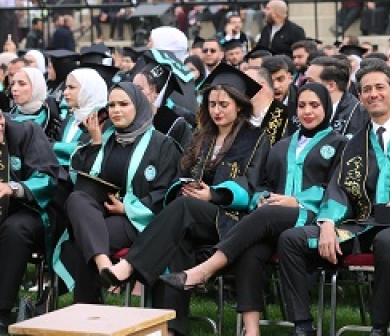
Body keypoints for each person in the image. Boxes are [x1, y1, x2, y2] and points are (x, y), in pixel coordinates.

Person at [159, 83, 347, 336]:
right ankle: (252, 330)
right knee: (251, 249)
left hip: (311, 216)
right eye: (302, 105)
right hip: (270, 218)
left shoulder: (340, 144)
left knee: (267, 215)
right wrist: (261, 199)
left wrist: (297, 201)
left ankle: (205, 269)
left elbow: (337, 186)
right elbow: (263, 184)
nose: (307, 111)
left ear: (326, 108)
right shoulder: (283, 145)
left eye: (315, 105)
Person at [277, 62, 390, 336]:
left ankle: (379, 327)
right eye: (366, 89)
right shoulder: (353, 143)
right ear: (359, 97)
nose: (373, 94)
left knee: (387, 240)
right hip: (361, 225)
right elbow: (339, 188)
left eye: (380, 87)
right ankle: (303, 326)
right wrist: (327, 223)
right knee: (291, 239)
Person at [101, 64, 270, 336]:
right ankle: (171, 329)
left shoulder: (256, 139)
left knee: (184, 209)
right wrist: (184, 187)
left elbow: (251, 184)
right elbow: (182, 173)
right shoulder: (203, 136)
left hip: (231, 219)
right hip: (193, 216)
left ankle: (130, 265)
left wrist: (212, 194)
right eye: (212, 104)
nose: (217, 110)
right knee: (177, 241)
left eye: (224, 104)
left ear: (239, 106)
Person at [54, 83, 181, 303]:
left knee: (80, 244)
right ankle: (104, 266)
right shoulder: (106, 139)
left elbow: (166, 192)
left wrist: (126, 208)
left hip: (136, 220)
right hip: (98, 215)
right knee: (76, 198)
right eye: (111, 105)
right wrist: (95, 142)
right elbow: (83, 182)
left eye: (123, 104)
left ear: (138, 106)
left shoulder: (163, 145)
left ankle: (88, 310)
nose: (116, 110)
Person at [0, 113, 61, 332]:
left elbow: (48, 178)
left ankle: (2, 311)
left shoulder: (27, 132)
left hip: (32, 208)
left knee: (15, 230)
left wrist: (13, 188)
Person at [53, 68, 109, 169]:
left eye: (71, 87)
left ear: (88, 90)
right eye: (66, 87)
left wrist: (55, 147)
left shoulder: (102, 120)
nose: (65, 92)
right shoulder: (69, 119)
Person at [9, 66, 62, 141]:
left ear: (36, 87)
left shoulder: (52, 120)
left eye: (22, 84)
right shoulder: (9, 115)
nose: (14, 88)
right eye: (12, 84)